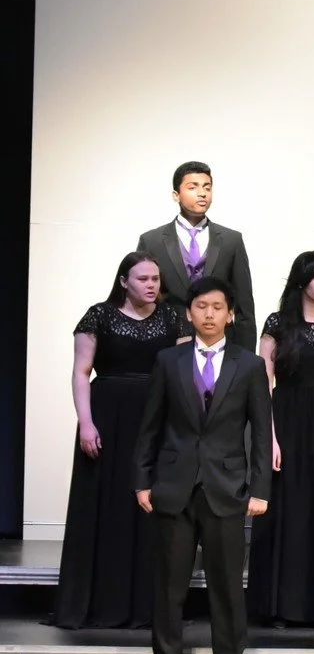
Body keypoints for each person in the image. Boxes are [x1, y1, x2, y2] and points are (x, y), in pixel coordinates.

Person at [133, 277, 272, 654]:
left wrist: (260, 486)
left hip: (227, 488)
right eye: (201, 306)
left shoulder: (248, 365)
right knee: (169, 585)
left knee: (228, 587)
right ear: (189, 313)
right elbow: (151, 426)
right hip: (174, 487)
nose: (209, 314)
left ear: (230, 314)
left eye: (217, 307)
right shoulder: (168, 361)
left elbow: (262, 433)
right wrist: (143, 479)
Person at [54, 253, 183, 629]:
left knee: (148, 509)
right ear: (124, 280)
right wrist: (86, 423)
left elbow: (182, 372)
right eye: (143, 279)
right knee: (103, 503)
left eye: (156, 279)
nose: (151, 285)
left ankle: (144, 606)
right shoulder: (99, 315)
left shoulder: (172, 318)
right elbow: (81, 373)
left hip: (155, 416)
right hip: (108, 415)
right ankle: (95, 602)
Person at [249, 252, 314, 627]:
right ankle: (280, 605)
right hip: (287, 421)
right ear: (301, 281)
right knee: (286, 514)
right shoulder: (279, 324)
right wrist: (270, 439)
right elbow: (262, 385)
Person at [136, 161, 257, 351]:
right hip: (167, 343)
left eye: (207, 187)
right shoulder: (152, 241)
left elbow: (244, 305)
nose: (202, 193)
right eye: (193, 187)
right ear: (176, 195)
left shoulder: (231, 240)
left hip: (221, 342)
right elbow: (141, 300)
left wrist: (247, 359)